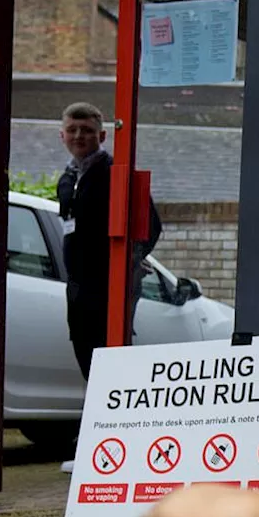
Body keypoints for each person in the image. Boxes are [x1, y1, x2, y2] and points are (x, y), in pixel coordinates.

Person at [56, 102, 161, 381]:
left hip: (109, 292)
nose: (79, 136)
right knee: (89, 370)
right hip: (78, 293)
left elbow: (151, 226)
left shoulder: (115, 173)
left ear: (102, 137)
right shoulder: (67, 178)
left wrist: (126, 262)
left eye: (87, 130)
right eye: (72, 130)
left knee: (111, 374)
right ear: (62, 135)